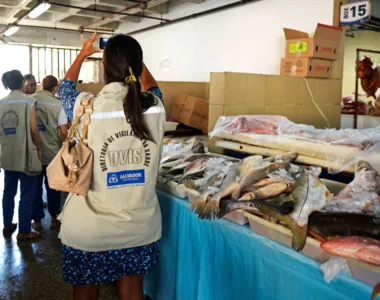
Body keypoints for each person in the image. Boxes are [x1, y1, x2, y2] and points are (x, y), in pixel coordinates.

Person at [58, 33, 165, 300]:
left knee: (86, 290)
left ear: (104, 68)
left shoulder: (85, 105)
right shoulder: (155, 107)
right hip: (139, 227)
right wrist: (136, 63)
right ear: (138, 69)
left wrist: (83, 53)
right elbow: (152, 87)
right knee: (132, 291)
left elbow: (65, 88)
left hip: (88, 228)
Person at [0, 70, 42, 241]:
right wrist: (39, 148)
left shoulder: (1, 103)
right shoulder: (29, 101)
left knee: (8, 191)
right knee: (27, 192)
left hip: (7, 154)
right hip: (26, 153)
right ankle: (24, 230)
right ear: (23, 82)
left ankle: (7, 224)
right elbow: (33, 130)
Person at [32, 75, 68, 230]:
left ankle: (37, 220)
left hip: (34, 151)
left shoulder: (30, 100)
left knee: (35, 186)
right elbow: (63, 131)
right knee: (52, 185)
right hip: (52, 151)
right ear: (55, 88)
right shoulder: (59, 105)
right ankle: (54, 218)